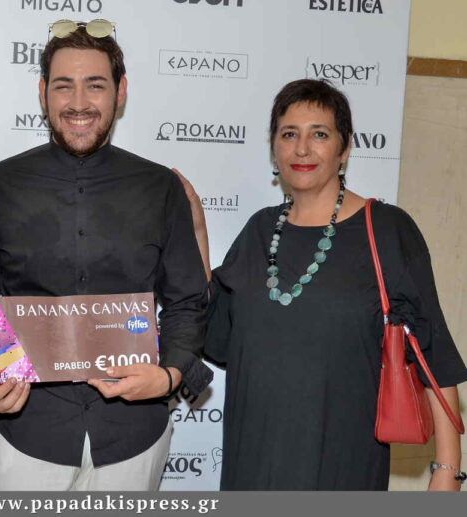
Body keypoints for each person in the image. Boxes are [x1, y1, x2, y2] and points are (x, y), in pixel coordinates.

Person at [0, 21, 212, 490]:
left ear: (120, 92)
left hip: (134, 435)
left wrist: (170, 375)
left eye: (95, 85)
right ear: (43, 93)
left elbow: (187, 300)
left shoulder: (160, 188)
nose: (78, 103)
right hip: (25, 432)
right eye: (63, 86)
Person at [185, 78, 467, 490]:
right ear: (274, 147)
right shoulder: (259, 230)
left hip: (342, 463)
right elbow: (218, 336)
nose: (302, 149)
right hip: (252, 462)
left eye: (319, 134)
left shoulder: (386, 229)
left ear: (345, 147)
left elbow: (433, 353)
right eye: (289, 134)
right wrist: (197, 234)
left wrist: (448, 470)